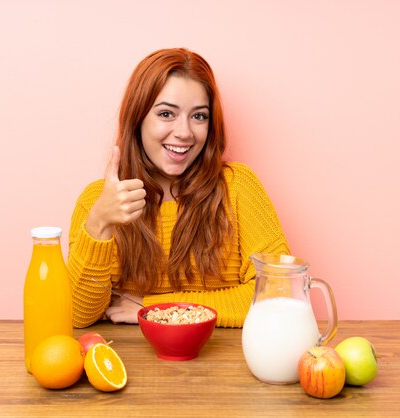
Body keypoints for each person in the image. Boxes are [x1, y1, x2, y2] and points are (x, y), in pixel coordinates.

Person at [67, 48, 290, 328]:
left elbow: (280, 293)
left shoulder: (238, 187)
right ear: (138, 119)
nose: (184, 132)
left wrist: (155, 308)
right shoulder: (97, 201)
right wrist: (99, 225)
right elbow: (78, 314)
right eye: (166, 114)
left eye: (199, 116)